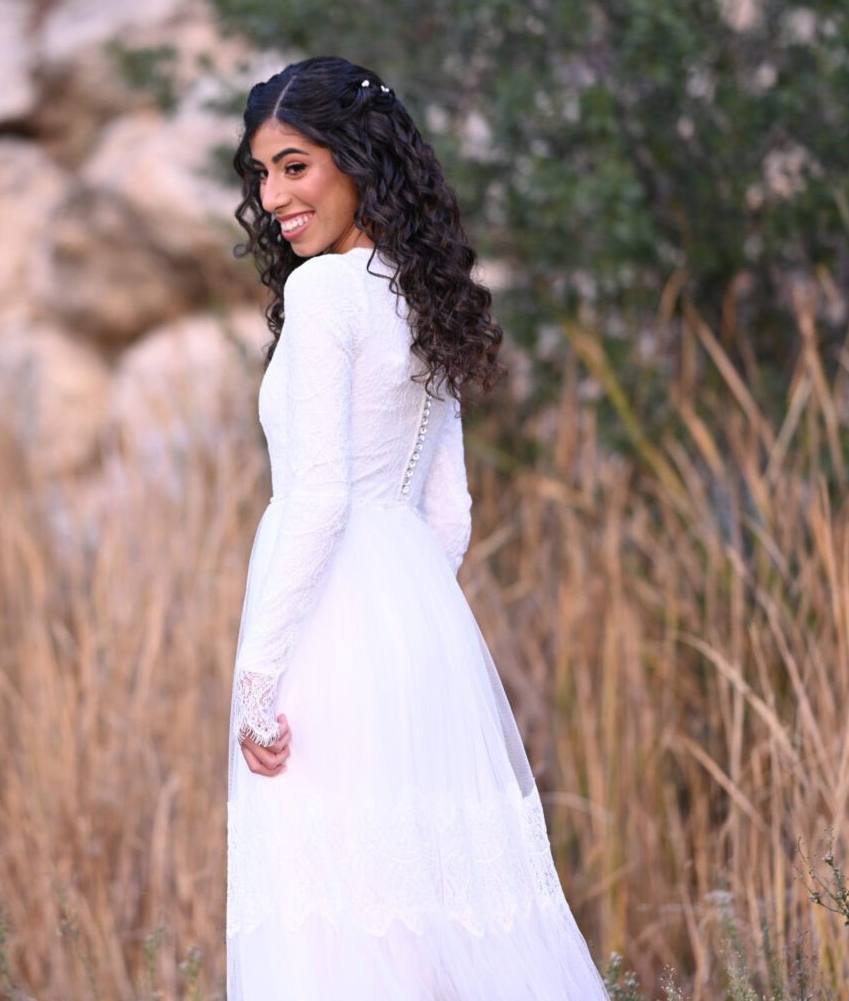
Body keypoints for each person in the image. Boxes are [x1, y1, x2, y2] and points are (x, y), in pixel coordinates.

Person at [224, 56, 610, 999]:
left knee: (337, 923)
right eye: (263, 173)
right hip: (416, 630)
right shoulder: (418, 293)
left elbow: (319, 496)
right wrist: (403, 627)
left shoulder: (324, 293)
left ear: (357, 158)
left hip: (324, 629)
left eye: (295, 166)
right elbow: (450, 513)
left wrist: (260, 678)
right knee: (426, 914)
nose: (273, 197)